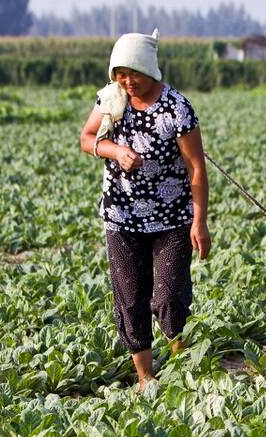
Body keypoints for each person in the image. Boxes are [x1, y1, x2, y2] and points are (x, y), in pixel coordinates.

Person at [80, 29, 211, 391]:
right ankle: (145, 377)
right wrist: (114, 151)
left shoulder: (177, 108)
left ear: (150, 69)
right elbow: (87, 138)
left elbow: (196, 167)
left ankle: (179, 350)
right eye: (120, 74)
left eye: (132, 73)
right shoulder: (110, 99)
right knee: (130, 294)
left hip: (171, 218)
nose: (127, 81)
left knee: (168, 294)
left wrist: (199, 221)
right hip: (121, 216)